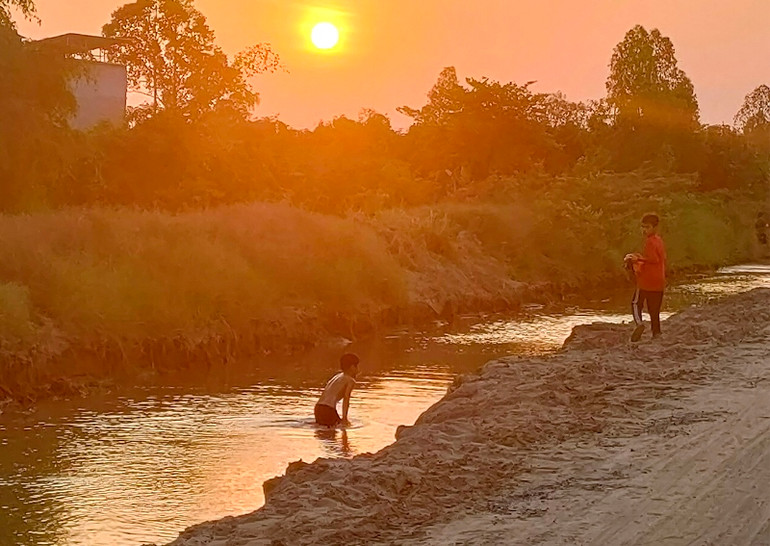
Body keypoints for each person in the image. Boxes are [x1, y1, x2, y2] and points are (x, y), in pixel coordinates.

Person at [627, 213, 667, 342]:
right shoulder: (659, 241)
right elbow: (660, 259)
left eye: (647, 227)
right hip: (659, 280)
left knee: (635, 303)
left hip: (646, 280)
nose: (644, 230)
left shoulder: (650, 242)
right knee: (654, 309)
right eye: (643, 227)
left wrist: (637, 258)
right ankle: (657, 332)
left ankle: (639, 324)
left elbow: (652, 259)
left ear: (655, 227)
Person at [314, 353, 359, 427]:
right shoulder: (350, 380)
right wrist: (345, 418)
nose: (358, 369)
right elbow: (346, 398)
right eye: (356, 366)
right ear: (352, 367)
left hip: (318, 407)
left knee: (324, 432)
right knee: (336, 431)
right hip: (328, 409)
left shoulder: (337, 376)